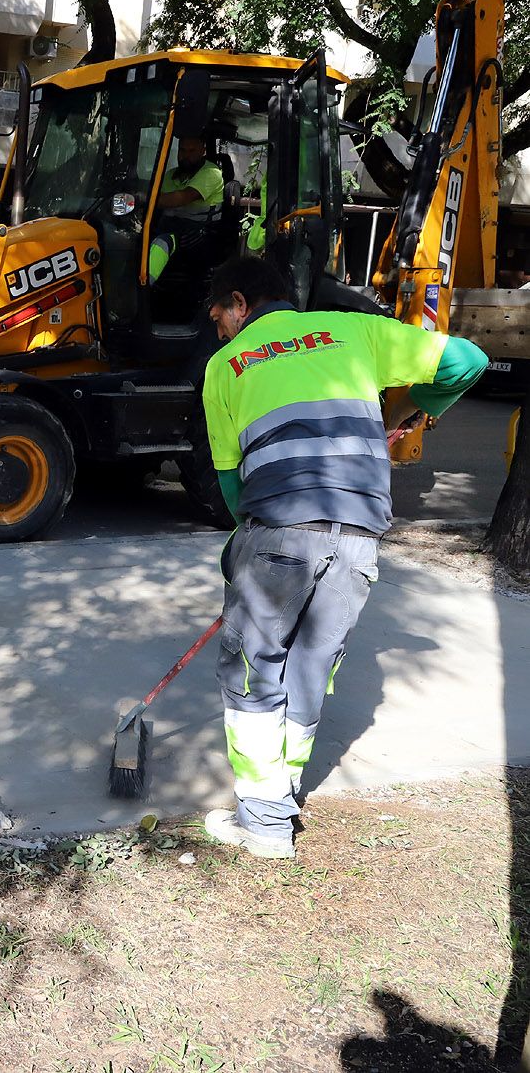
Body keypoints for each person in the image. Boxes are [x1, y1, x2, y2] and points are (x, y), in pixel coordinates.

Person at [198, 256, 486, 858]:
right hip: (359, 539)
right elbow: (468, 360)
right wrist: (405, 413)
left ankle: (264, 823)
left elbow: (232, 485)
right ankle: (285, 792)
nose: (218, 330)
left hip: (276, 532)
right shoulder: (352, 330)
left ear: (240, 303)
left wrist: (245, 551)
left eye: (219, 316)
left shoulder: (227, 366)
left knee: (253, 670)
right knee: (310, 666)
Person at [148, 134, 226, 284]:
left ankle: (142, 288)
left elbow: (183, 197)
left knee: (162, 242)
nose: (185, 155)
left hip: (199, 235)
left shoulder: (212, 173)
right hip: (171, 228)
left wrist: (143, 198)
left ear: (203, 151)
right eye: (182, 150)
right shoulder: (171, 175)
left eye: (192, 151)